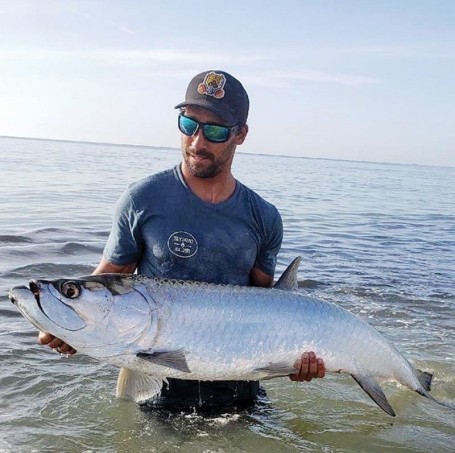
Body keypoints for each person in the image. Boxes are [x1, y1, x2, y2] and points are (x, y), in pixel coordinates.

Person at [39, 70, 325, 410]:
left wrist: (291, 358)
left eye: (216, 130)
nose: (197, 142)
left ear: (241, 135)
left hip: (239, 382)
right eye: (189, 125)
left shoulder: (263, 216)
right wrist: (72, 325)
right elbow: (105, 282)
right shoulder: (143, 199)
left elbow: (266, 305)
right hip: (158, 379)